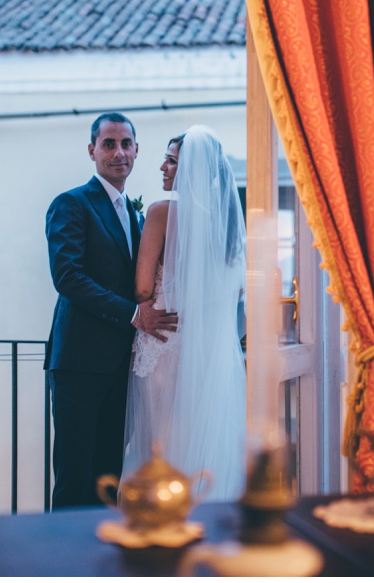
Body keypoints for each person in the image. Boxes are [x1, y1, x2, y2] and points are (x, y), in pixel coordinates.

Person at [44, 113, 177, 509]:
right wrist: (136, 315)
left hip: (123, 366)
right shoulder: (70, 204)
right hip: (79, 365)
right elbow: (68, 277)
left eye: (126, 144)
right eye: (109, 144)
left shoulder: (137, 215)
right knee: (74, 474)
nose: (118, 153)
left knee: (109, 476)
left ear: (136, 151)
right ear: (92, 151)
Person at [123, 126, 247, 501]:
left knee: (158, 442)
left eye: (172, 161)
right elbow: (234, 293)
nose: (162, 166)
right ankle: (198, 509)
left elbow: (142, 288)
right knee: (197, 434)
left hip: (164, 343)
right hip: (206, 347)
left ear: (189, 169)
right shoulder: (226, 226)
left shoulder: (161, 214)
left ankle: (158, 514)